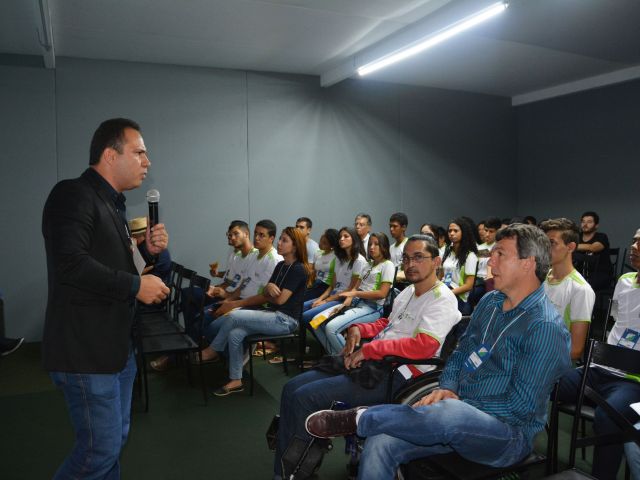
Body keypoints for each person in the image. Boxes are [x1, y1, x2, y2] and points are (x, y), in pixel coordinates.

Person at [305, 224, 571, 480]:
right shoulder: (491, 302)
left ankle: (361, 418)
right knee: (380, 442)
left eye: (500, 254)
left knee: (449, 414)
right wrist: (447, 387)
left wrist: (458, 403)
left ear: (529, 263)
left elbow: (520, 407)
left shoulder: (544, 327)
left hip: (506, 434)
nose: (490, 263)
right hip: (452, 415)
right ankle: (378, 422)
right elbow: (460, 351)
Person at [42, 118, 170, 479]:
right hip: (86, 351)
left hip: (115, 348)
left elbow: (119, 267)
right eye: (140, 152)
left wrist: (146, 252)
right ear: (110, 155)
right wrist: (135, 288)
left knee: (112, 444)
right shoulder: (72, 194)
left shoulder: (113, 206)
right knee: (97, 452)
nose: (147, 162)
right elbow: (71, 264)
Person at [273, 235, 461, 479]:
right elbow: (387, 323)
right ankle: (291, 465)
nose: (410, 264)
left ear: (436, 261)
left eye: (418, 257)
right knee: (291, 388)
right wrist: (360, 329)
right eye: (406, 258)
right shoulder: (407, 293)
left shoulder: (443, 299)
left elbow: (424, 346)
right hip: (375, 364)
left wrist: (370, 349)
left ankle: (294, 472)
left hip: (399, 375)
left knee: (303, 398)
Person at [557, 227, 640, 479]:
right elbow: (617, 322)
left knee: (608, 417)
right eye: (634, 240)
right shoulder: (625, 282)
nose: (634, 246)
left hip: (633, 380)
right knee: (545, 384)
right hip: (601, 368)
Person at [200, 226, 312, 396]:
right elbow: (267, 294)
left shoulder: (299, 269)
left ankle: (213, 349)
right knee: (235, 334)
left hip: (286, 321)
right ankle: (236, 380)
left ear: (295, 246)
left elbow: (280, 300)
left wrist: (269, 289)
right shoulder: (281, 265)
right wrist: (269, 287)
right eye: (280, 239)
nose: (279, 243)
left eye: (284, 240)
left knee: (235, 315)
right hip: (273, 314)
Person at [312, 232, 395, 355]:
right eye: (370, 244)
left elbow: (382, 293)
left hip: (372, 307)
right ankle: (336, 357)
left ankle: (345, 361)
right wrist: (345, 304)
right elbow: (356, 288)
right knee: (316, 321)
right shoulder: (368, 264)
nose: (372, 247)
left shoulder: (388, 265)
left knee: (331, 328)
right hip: (356, 303)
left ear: (384, 246)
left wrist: (355, 293)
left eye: (376, 244)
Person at [540, 218, 595, 361]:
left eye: (551, 243)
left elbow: (575, 351)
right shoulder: (539, 278)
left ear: (570, 247)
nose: (545, 249)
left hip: (551, 362)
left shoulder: (581, 289)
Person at [302, 227, 367, 338]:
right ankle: (323, 344)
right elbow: (332, 286)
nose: (341, 239)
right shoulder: (338, 259)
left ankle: (326, 347)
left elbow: (350, 290)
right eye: (340, 237)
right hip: (333, 296)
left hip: (343, 299)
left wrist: (326, 301)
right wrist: (320, 299)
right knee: (302, 307)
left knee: (307, 316)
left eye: (346, 236)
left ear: (354, 240)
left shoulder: (359, 260)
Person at [442, 217, 478, 315]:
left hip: (459, 299)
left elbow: (469, 285)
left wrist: (448, 294)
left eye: (455, 231)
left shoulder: (470, 256)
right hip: (445, 291)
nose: (452, 233)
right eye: (450, 231)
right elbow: (441, 275)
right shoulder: (448, 252)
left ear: (463, 233)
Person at [574, 211, 612, 291]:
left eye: (589, 222)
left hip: (600, 274)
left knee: (583, 286)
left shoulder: (602, 236)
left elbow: (593, 248)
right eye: (583, 221)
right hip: (579, 274)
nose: (585, 224)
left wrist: (572, 246)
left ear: (596, 225)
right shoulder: (576, 237)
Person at [303, 228, 338, 301]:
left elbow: (335, 280)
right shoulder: (317, 253)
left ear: (332, 245)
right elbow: (313, 272)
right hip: (316, 284)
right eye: (321, 241)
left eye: (324, 243)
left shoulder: (336, 256)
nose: (321, 244)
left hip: (326, 285)